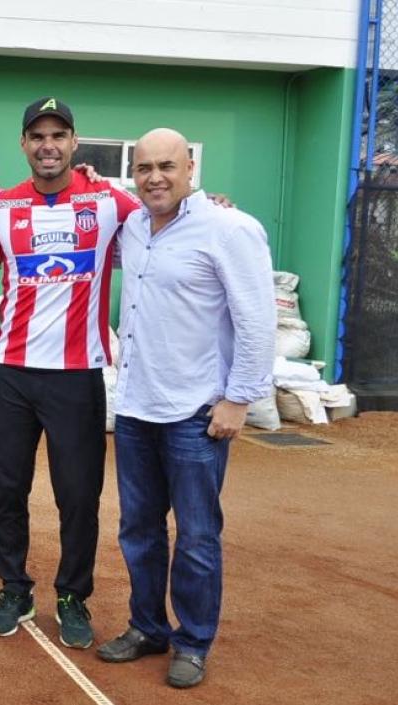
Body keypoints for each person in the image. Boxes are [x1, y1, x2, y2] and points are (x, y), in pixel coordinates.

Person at [95, 128, 274, 688]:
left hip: (196, 413)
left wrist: (238, 399)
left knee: (196, 535)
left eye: (166, 166)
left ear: (190, 167)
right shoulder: (133, 228)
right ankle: (148, 627)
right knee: (138, 529)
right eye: (144, 168)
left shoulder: (230, 229)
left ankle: (193, 642)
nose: (154, 177)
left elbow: (256, 319)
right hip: (136, 408)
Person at [0, 98, 139, 648]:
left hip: (76, 374)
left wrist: (209, 204)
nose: (48, 145)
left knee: (77, 495)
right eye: (38, 136)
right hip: (10, 372)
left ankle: (72, 596)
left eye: (58, 135)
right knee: (7, 489)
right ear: (23, 144)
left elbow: (164, 214)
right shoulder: (1, 207)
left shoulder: (108, 201)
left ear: (74, 142)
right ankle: (14, 589)